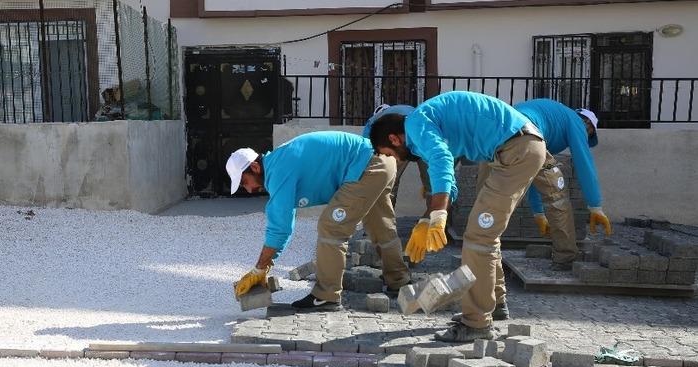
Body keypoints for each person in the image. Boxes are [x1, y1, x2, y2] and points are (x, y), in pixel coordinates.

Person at [369, 91, 552, 342]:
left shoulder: (416, 123)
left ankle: (476, 324)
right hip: (514, 148)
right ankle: (495, 305)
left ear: (394, 138)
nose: (393, 160)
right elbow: (448, 178)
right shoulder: (428, 126)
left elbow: (442, 159)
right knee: (485, 234)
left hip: (516, 149)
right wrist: (427, 220)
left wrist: (439, 213)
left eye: (388, 153)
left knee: (478, 238)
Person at [229, 131, 411, 311]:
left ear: (254, 167)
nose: (249, 190)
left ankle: (326, 296)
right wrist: (264, 267)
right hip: (381, 161)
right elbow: (284, 225)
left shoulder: (278, 171)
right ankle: (399, 281)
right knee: (380, 225)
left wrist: (259, 269)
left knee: (331, 226)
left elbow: (279, 229)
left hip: (366, 166)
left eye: (245, 182)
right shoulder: (279, 162)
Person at [517, 100, 611, 261]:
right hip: (527, 131)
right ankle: (566, 257)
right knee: (557, 196)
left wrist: (538, 212)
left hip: (502, 130)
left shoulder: (555, 120)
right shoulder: (576, 121)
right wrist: (595, 205)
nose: (585, 137)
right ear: (587, 124)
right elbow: (584, 163)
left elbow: (535, 170)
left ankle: (480, 255)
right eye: (589, 134)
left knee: (494, 195)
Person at [362, 104, 415, 207]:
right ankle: (433, 219)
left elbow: (367, 146)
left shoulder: (373, 122)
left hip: (400, 143)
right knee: (432, 183)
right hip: (421, 137)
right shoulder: (405, 109)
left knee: (389, 180)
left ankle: (387, 219)